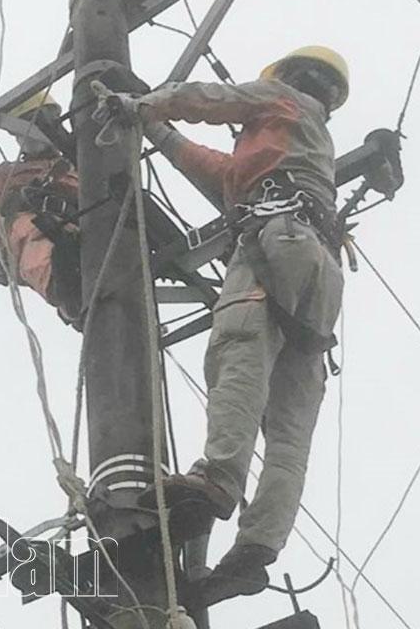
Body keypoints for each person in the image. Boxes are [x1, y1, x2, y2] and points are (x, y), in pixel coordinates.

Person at [132, 46, 349, 593]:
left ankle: (215, 484)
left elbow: (211, 99)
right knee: (291, 419)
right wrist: (158, 132)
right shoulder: (300, 141)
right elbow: (221, 173)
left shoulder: (281, 98)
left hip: (277, 240)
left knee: (241, 350)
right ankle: (257, 548)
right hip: (320, 265)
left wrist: (140, 105)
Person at [0, 91, 82, 326]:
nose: (47, 128)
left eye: (50, 120)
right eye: (37, 121)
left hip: (78, 224)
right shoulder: (6, 174)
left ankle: (131, 314)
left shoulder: (77, 165)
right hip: (29, 226)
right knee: (31, 236)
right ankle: (63, 289)